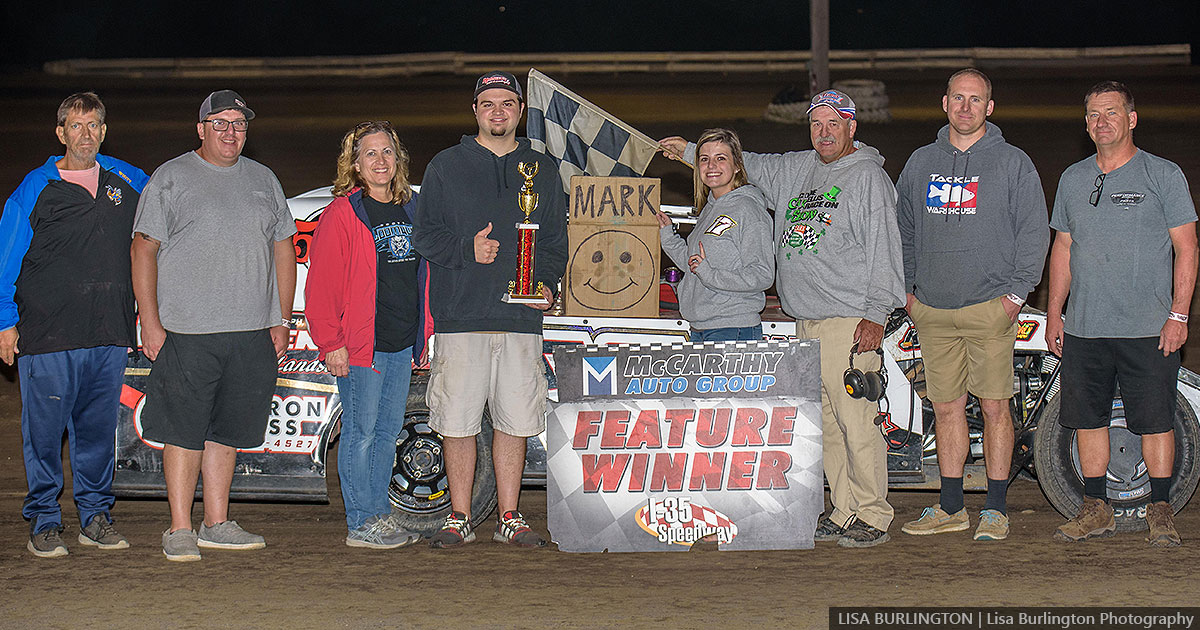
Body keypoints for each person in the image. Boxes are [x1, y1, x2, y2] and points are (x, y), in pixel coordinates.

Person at [661, 89, 904, 547]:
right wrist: (689, 151)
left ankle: (873, 512)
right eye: (816, 124)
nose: (824, 133)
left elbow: (884, 248)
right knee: (829, 423)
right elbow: (744, 162)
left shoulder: (867, 177)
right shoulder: (798, 168)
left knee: (856, 421)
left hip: (848, 319)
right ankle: (844, 510)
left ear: (852, 127)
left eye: (834, 124)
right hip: (805, 320)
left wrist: (876, 314)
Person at [131, 90, 297, 561]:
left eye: (239, 124)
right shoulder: (171, 177)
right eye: (220, 123)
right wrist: (150, 320)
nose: (230, 132)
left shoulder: (263, 179)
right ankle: (180, 527)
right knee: (184, 430)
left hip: (250, 332)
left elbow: (283, 247)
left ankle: (216, 523)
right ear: (201, 128)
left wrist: (281, 318)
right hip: (187, 332)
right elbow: (143, 249)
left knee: (227, 430)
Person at [412, 71, 567, 548]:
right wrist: (467, 249)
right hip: (461, 318)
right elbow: (424, 236)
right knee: (457, 423)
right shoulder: (445, 165)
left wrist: (546, 285)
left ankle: (509, 516)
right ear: (475, 111)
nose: (497, 112)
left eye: (506, 103)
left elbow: (554, 243)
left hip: (520, 320)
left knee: (514, 422)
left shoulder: (542, 168)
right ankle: (459, 516)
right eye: (488, 104)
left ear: (520, 111)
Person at [896, 68, 1050, 542]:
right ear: (944, 103)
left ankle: (996, 509)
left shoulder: (1012, 162)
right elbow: (902, 229)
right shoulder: (921, 162)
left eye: (976, 99)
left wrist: (1016, 296)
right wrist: (909, 293)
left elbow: (1033, 232)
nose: (966, 107)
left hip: (991, 308)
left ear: (990, 107)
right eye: (958, 98)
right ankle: (951, 508)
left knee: (995, 407)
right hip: (933, 311)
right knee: (946, 409)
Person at [1045, 81, 1197, 547]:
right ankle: (1096, 509)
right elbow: (1063, 247)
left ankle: (1160, 510)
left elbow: (1187, 247)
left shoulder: (1162, 174)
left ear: (1131, 118)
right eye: (1093, 114)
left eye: (1111, 112)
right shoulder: (1073, 178)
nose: (1102, 122)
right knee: (1088, 419)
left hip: (1147, 328)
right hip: (1085, 326)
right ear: (1086, 123)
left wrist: (1178, 315)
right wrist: (1055, 312)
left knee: (1155, 420)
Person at [0, 92, 148, 558]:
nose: (86, 134)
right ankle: (44, 521)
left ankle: (95, 517)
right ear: (60, 132)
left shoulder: (128, 180)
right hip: (48, 334)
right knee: (44, 436)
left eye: (93, 125)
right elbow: (6, 259)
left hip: (108, 332)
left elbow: (173, 210)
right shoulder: (35, 187)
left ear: (104, 131)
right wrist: (5, 321)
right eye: (76, 126)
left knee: (98, 434)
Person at [305, 121, 428, 549]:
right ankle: (361, 522)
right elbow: (321, 286)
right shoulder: (343, 213)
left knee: (387, 434)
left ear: (398, 160)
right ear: (355, 165)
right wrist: (332, 343)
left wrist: (423, 335)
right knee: (361, 434)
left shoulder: (413, 208)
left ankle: (379, 515)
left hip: (400, 343)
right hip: (361, 347)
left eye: (387, 152)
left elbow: (423, 277)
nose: (380, 160)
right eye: (370, 154)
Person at [657, 128, 773, 342]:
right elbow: (694, 265)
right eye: (704, 159)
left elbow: (762, 274)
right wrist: (668, 236)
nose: (711, 166)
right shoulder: (710, 209)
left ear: (737, 165)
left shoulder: (748, 209)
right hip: (701, 327)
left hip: (732, 327)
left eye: (720, 158)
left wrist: (710, 275)